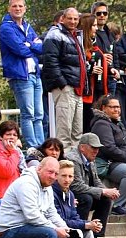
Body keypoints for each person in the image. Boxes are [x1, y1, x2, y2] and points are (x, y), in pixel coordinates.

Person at [51, 159, 117, 238]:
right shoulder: (52, 193)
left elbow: (74, 217)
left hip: (67, 228)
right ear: (56, 175)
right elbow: (60, 220)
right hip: (56, 230)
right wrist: (86, 224)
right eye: (63, 176)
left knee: (88, 233)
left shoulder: (70, 194)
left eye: (70, 176)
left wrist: (89, 223)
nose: (67, 180)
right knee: (78, 233)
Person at [0, 0, 45, 149]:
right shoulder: (6, 27)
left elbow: (41, 48)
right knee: (28, 114)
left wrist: (29, 45)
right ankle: (32, 147)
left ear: (25, 8)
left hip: (34, 74)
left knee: (39, 114)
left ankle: (42, 146)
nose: (17, 8)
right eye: (14, 6)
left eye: (20, 6)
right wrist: (31, 46)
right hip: (20, 75)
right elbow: (19, 49)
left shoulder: (27, 26)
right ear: (9, 9)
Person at [41, 7, 85, 148]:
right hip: (66, 87)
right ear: (63, 19)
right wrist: (63, 84)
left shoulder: (76, 35)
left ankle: (75, 160)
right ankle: (63, 159)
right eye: (70, 18)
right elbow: (50, 61)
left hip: (77, 88)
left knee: (77, 132)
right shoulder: (55, 35)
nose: (73, 21)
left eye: (75, 19)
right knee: (64, 131)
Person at [64, 132, 119, 236]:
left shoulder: (90, 159)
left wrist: (108, 191)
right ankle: (81, 232)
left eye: (98, 148)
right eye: (93, 147)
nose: (96, 151)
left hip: (85, 192)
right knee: (86, 198)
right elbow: (76, 186)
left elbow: (96, 181)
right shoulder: (73, 159)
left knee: (106, 199)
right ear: (82, 147)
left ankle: (96, 236)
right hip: (72, 196)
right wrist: (102, 191)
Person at [0, 121, 24, 199]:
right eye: (8, 134)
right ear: (1, 137)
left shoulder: (17, 152)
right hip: (2, 196)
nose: (12, 137)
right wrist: (14, 152)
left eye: (15, 135)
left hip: (17, 193)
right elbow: (7, 171)